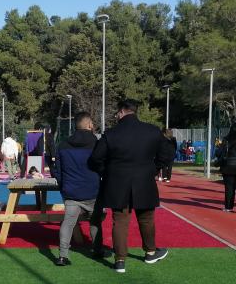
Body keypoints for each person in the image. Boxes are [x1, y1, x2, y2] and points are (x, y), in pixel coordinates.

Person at [88, 99, 173, 274]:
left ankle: (120, 260)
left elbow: (95, 159)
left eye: (117, 113)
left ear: (121, 112)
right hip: (144, 181)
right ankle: (150, 252)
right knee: (147, 218)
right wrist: (153, 169)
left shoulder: (111, 134)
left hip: (117, 183)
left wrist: (107, 172)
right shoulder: (152, 131)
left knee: (119, 221)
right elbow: (167, 154)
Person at [54, 112, 103, 266]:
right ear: (89, 125)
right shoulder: (97, 144)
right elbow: (103, 167)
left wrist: (63, 187)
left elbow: (57, 171)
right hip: (93, 191)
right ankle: (97, 250)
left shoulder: (63, 144)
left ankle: (63, 255)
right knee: (95, 221)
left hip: (71, 192)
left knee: (68, 223)